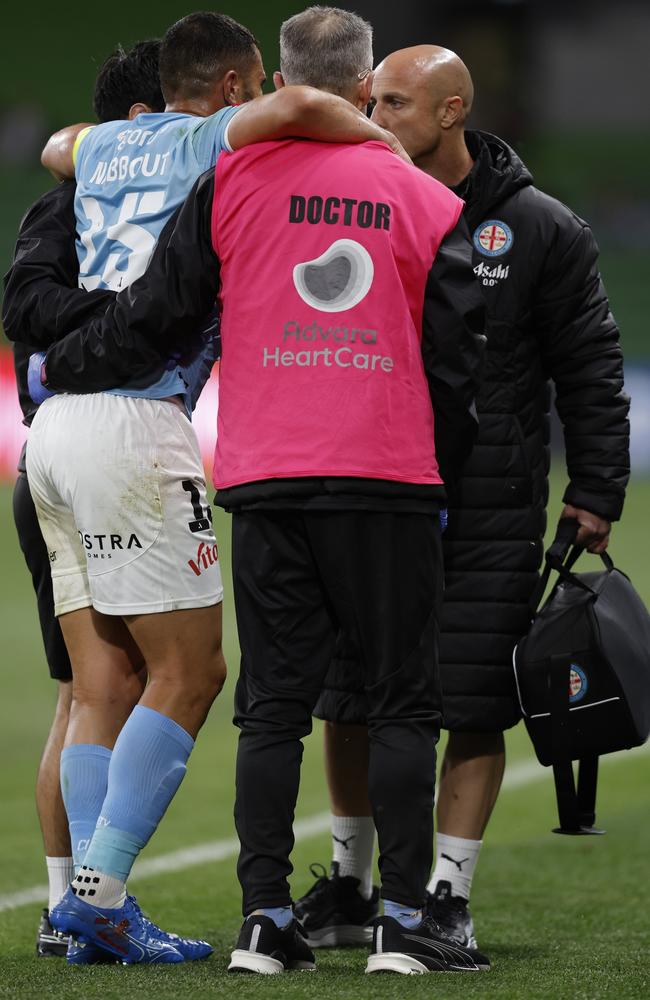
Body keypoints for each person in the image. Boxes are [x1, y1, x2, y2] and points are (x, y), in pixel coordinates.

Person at [29, 6, 487, 977]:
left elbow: (85, 195)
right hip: (301, 452)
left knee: (188, 695)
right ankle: (395, 922)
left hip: (160, 452)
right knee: (319, 688)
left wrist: (61, 359)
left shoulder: (165, 161)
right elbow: (453, 338)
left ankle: (219, 917)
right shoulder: (335, 167)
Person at [292, 44, 630, 951]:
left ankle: (445, 898)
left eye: (393, 103)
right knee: (349, 692)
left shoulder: (540, 227)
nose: (375, 117)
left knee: (474, 696)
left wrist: (595, 488)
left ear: (450, 112)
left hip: (489, 502)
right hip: (367, 485)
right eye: (369, 102)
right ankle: (353, 885)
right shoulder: (354, 204)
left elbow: (591, 366)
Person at [6, 39, 163, 959]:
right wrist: (121, 321)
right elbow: (24, 302)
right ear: (144, 124)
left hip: (62, 454)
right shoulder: (71, 203)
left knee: (96, 689)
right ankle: (77, 904)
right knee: (103, 687)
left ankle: (73, 907)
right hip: (83, 452)